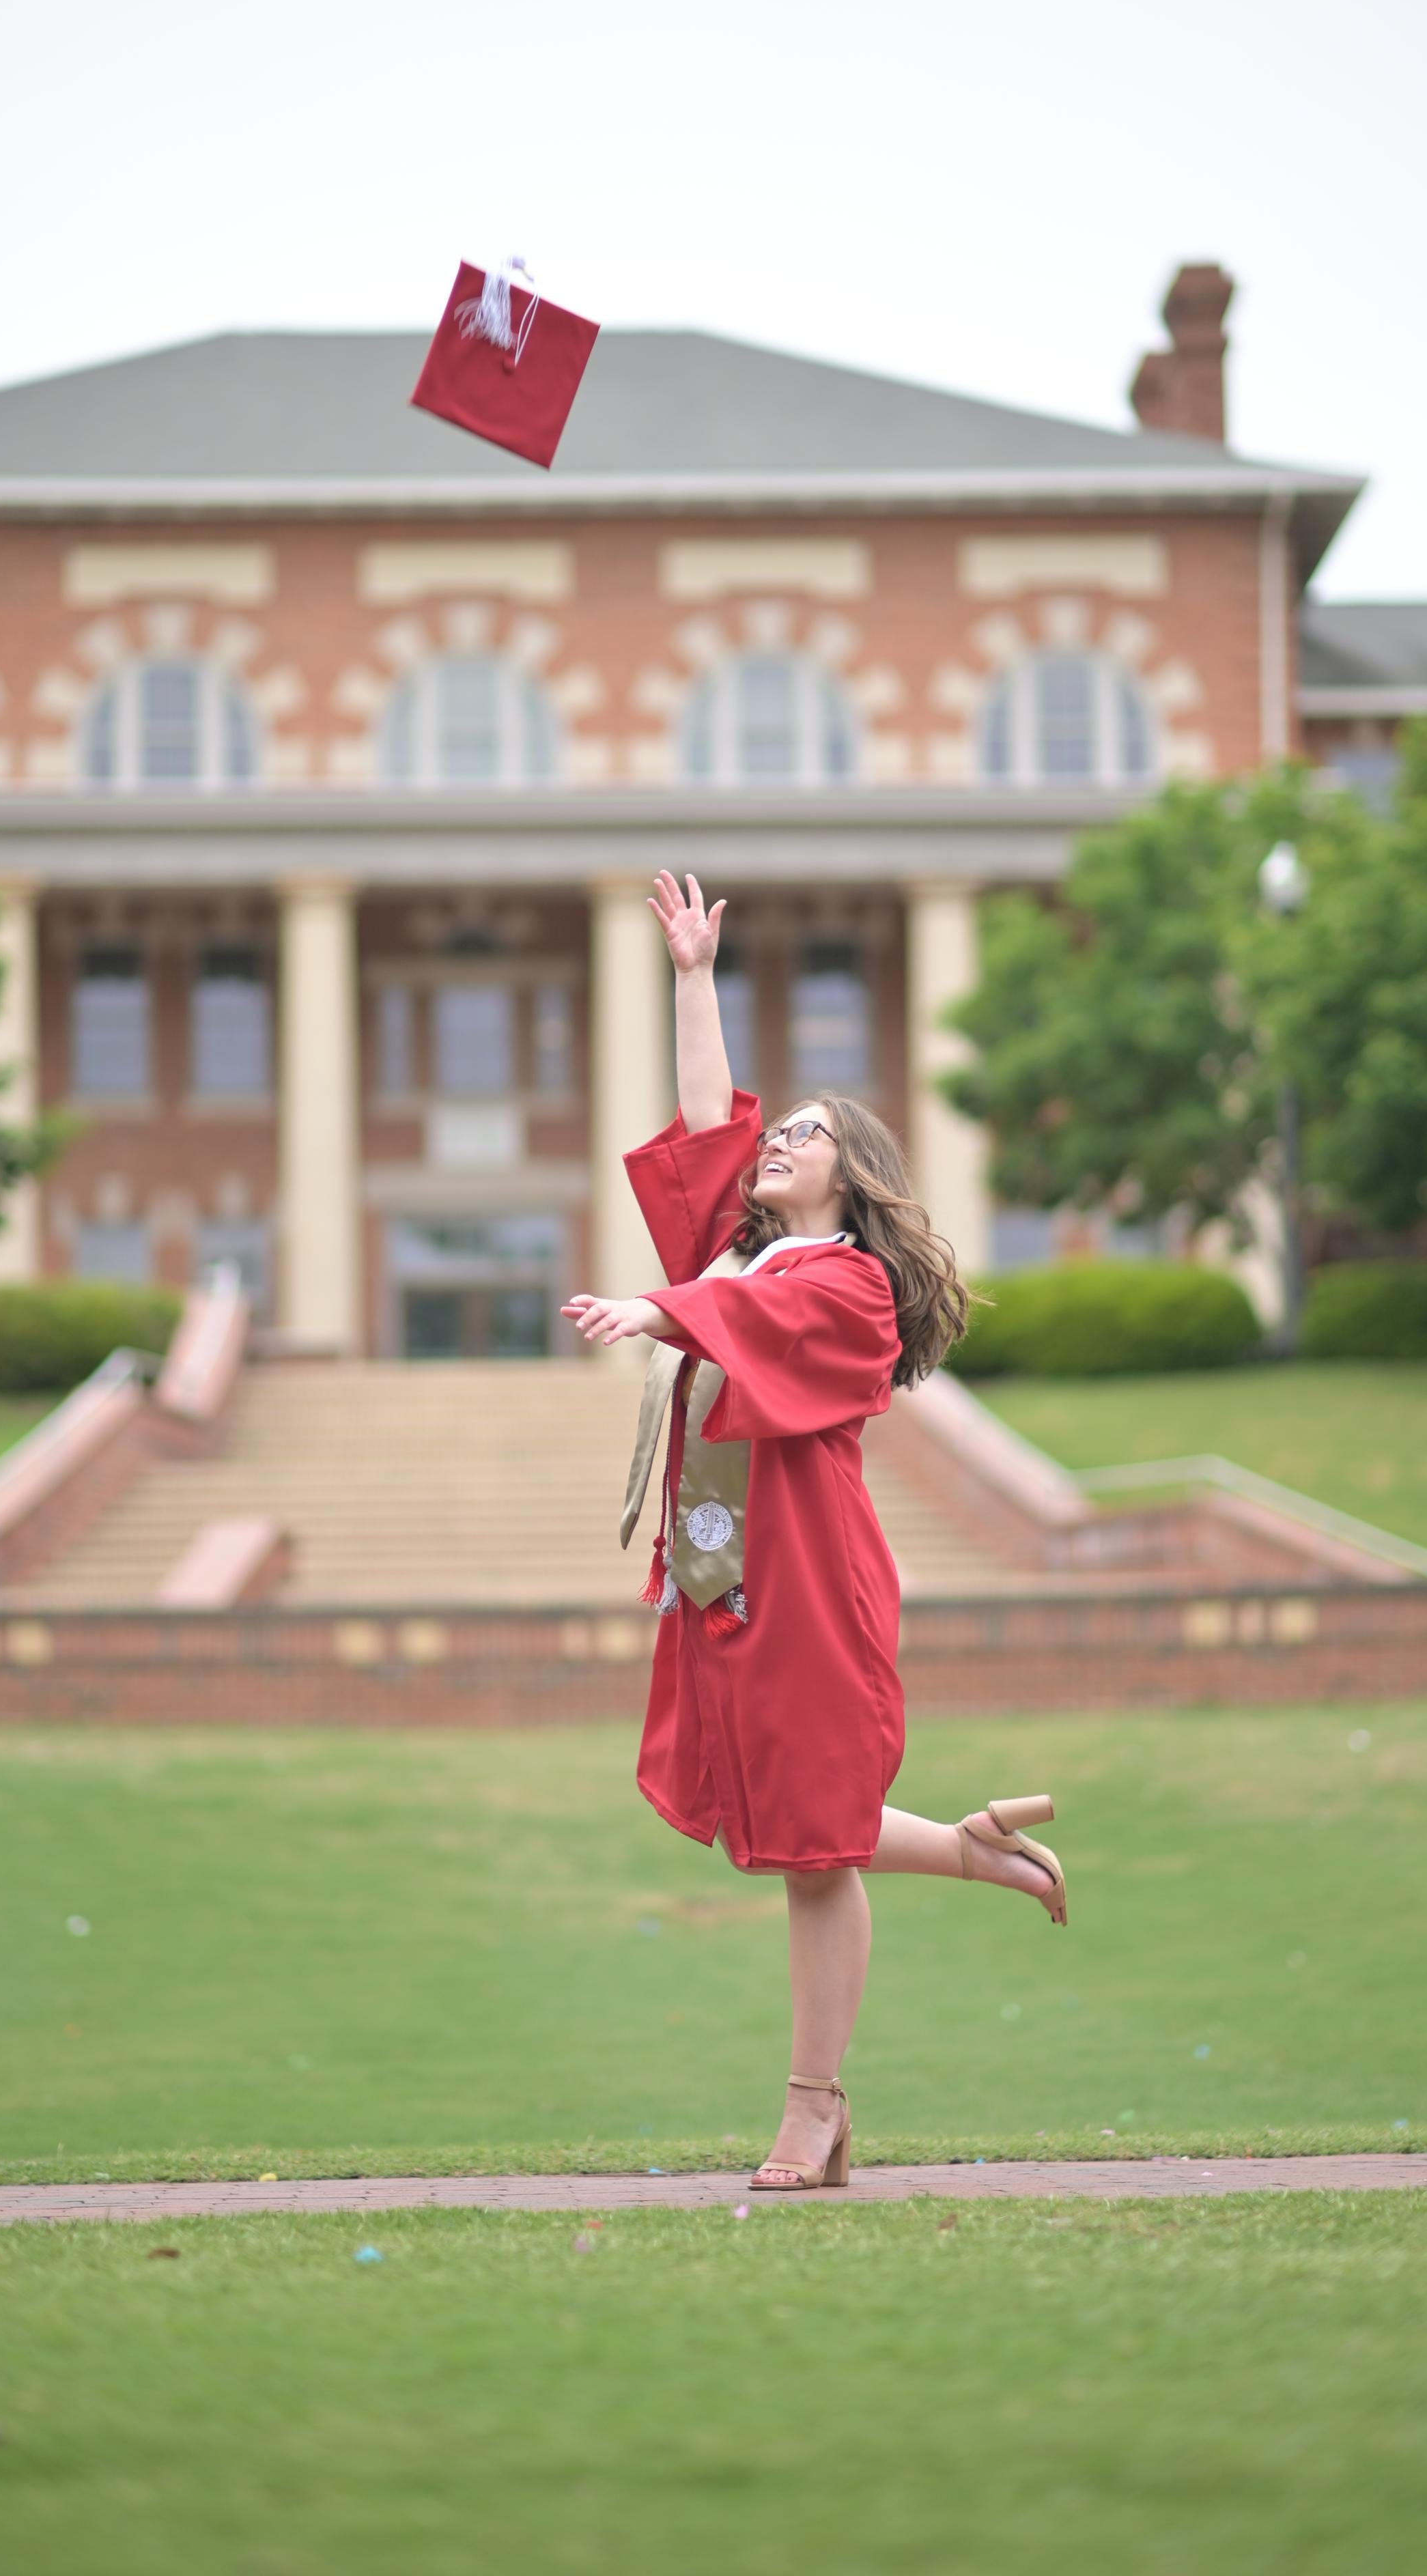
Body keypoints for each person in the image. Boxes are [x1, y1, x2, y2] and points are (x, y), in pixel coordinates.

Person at [562, 871, 1065, 2192]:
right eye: (777, 1129)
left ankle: (812, 2109)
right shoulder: (747, 1260)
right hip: (731, 1575)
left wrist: (658, 1313)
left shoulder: (844, 1285)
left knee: (812, 1850)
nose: (777, 1138)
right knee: (792, 1822)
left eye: (806, 1129)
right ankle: (972, 1846)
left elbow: (756, 1333)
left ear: (856, 1170)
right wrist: (688, 978)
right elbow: (702, 1134)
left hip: (808, 1581)